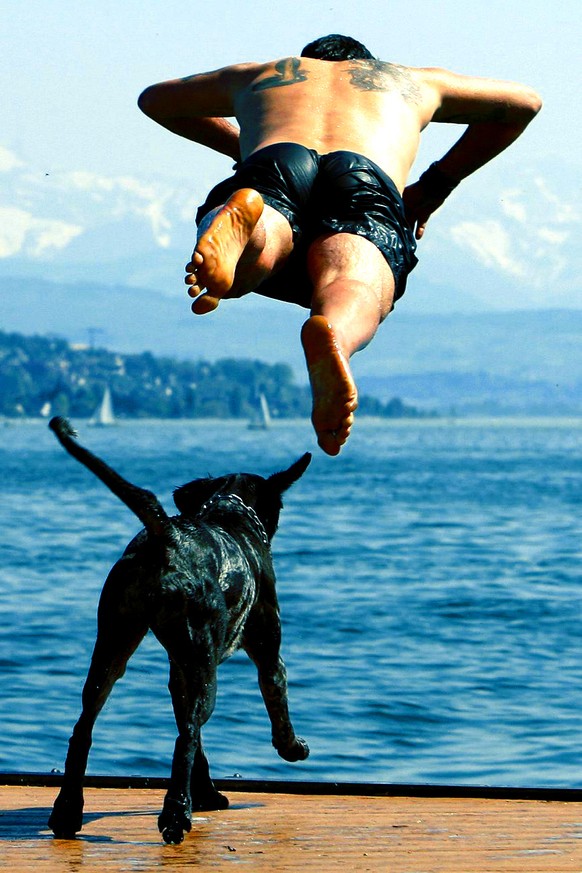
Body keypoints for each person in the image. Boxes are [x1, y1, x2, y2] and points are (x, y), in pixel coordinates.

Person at [138, 35, 541, 455]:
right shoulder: (407, 80)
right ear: (365, 62)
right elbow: (525, 102)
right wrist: (438, 183)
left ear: (307, 60)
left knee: (260, 248)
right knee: (355, 278)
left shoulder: (264, 74)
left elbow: (154, 100)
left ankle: (252, 228)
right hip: (366, 174)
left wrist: (246, 145)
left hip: (276, 159)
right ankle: (335, 334)